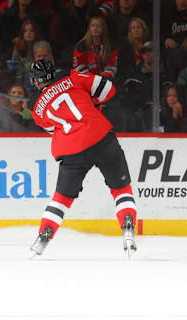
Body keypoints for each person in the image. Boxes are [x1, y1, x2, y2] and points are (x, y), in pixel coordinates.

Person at [27, 59, 138, 257]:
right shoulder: (74, 77)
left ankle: (43, 236)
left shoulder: (37, 110)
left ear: (35, 81)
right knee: (121, 189)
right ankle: (128, 226)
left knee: (61, 199)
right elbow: (108, 89)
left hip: (72, 149)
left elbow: (53, 129)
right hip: (101, 137)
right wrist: (90, 101)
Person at [11, 20, 42, 84]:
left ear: (35, 32)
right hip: (23, 82)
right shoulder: (18, 50)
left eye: (31, 30)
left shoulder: (41, 48)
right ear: (22, 33)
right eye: (25, 31)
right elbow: (17, 72)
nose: (28, 33)